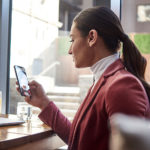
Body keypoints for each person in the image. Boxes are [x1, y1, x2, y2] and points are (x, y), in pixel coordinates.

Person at [16, 6, 150, 150]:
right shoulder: (103, 81)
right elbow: (79, 141)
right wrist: (43, 102)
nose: (69, 50)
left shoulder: (121, 85)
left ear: (92, 37)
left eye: (72, 40)